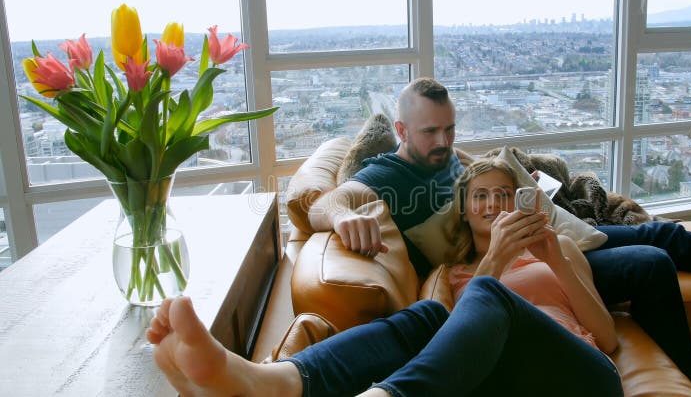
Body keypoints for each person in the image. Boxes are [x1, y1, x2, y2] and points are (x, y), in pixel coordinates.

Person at [308, 77, 691, 382]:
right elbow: (320, 202)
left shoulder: (446, 159)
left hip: (535, 241)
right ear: (400, 132)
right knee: (655, 256)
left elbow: (477, 173)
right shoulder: (383, 177)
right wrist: (344, 216)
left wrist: (521, 188)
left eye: (450, 128)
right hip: (502, 268)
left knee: (662, 239)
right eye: (430, 132)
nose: (443, 141)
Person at [148, 158, 625, 396]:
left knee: (485, 301)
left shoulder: (558, 249)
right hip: (504, 378)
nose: (493, 205)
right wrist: (493, 264)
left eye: (504, 195)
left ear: (524, 201)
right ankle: (269, 383)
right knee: (427, 317)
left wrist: (553, 259)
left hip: (581, 374)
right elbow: (459, 350)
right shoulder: (450, 274)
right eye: (480, 196)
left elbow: (606, 339)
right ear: (464, 208)